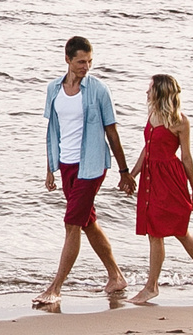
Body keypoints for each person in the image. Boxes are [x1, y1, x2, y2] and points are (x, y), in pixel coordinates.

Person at [35, 36, 135, 308]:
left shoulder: (99, 90)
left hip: (91, 165)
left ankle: (55, 288)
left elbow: (111, 131)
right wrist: (50, 169)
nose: (86, 66)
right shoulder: (53, 89)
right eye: (81, 61)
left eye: (90, 61)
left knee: (72, 223)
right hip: (66, 164)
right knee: (87, 221)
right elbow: (52, 130)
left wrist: (124, 171)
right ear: (67, 59)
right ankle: (116, 277)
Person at [130, 73, 193, 305]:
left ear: (160, 91)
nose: (146, 92)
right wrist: (132, 175)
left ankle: (152, 287)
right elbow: (147, 149)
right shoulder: (152, 115)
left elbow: (187, 157)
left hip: (170, 180)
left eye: (150, 88)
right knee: (161, 232)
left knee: (174, 230)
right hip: (151, 179)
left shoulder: (180, 121)